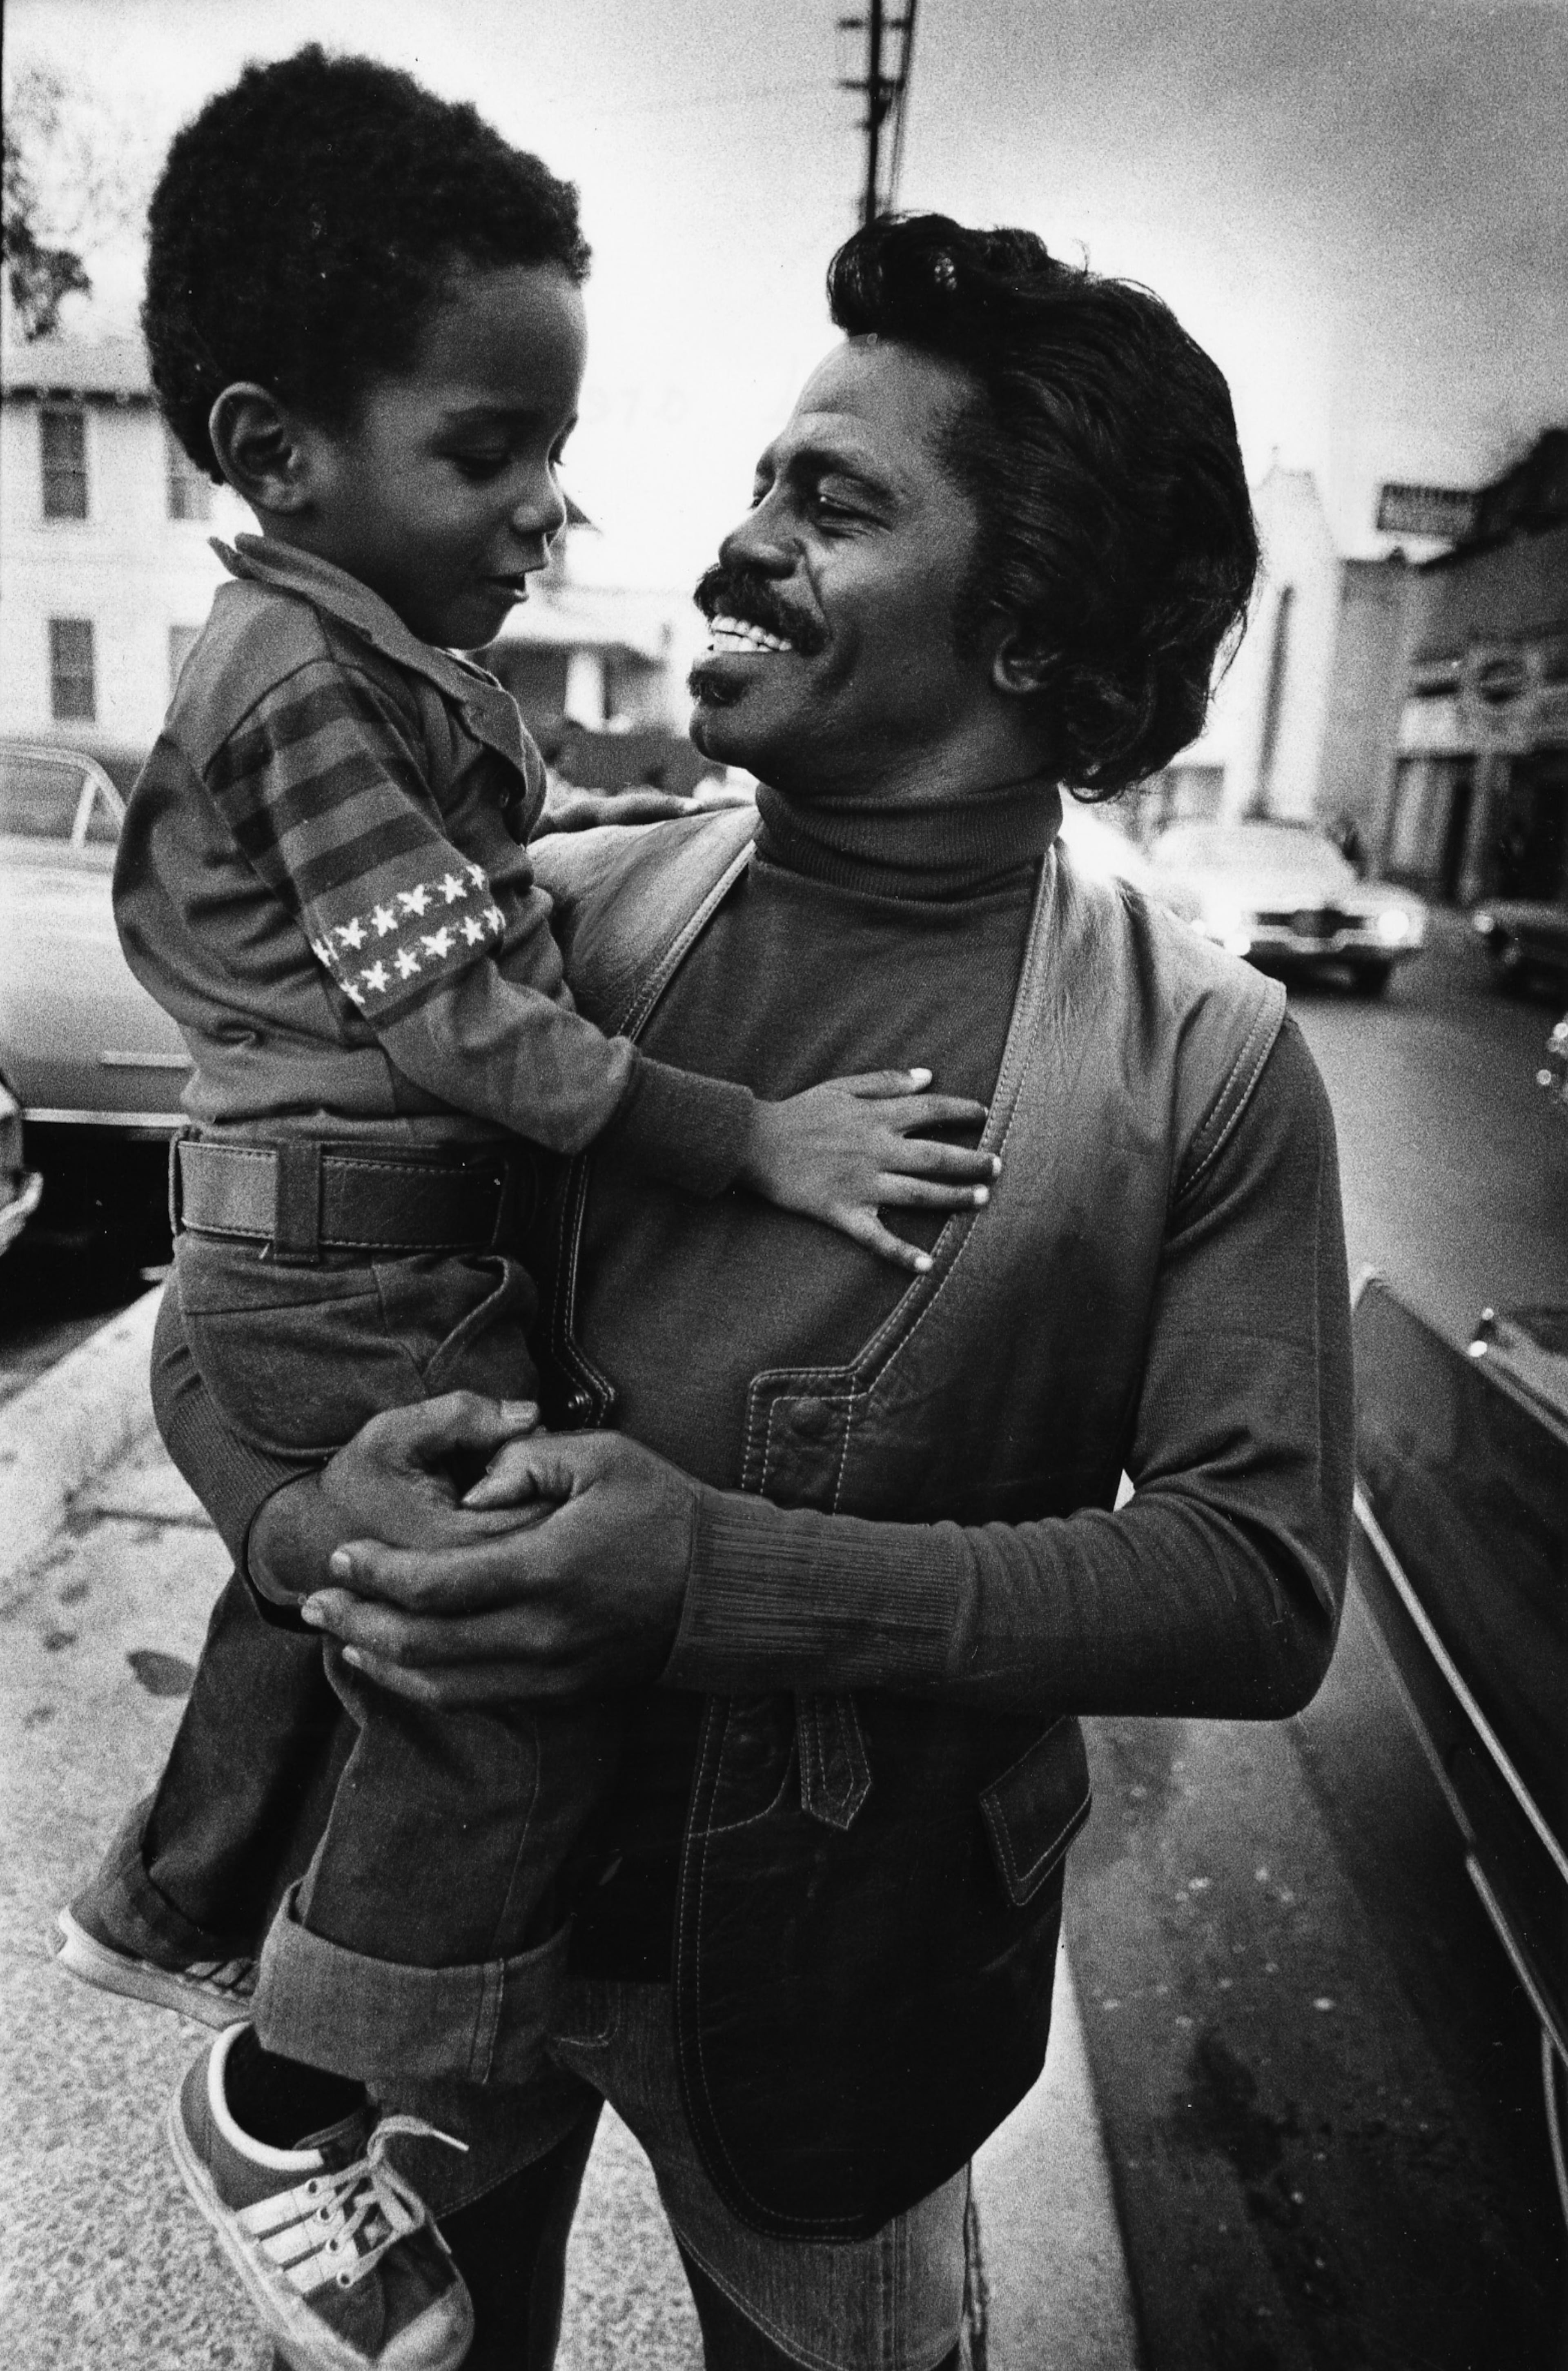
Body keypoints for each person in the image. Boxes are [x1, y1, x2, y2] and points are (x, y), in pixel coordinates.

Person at [123, 213, 1352, 2370]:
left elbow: (1255, 1587)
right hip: (431, 1964)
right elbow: (230, 1288)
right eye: (768, 480)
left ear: (1045, 633)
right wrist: (305, 1526)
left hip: (849, 2016)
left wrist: (718, 1579)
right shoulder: (535, 935)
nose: (744, 538)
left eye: (838, 502)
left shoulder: (1205, 1062)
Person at [58, 58, 998, 2371]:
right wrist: (759, 1138)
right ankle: (281, 2098)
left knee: (404, 1623)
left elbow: (489, 849)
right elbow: (480, 1030)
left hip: (350, 1250)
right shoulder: (289, 678)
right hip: (342, 1254)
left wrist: (622, 802)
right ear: (284, 450)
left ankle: (178, 1902)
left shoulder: (366, 670)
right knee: (496, 1677)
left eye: (546, 455)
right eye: (488, 453)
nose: (547, 513)